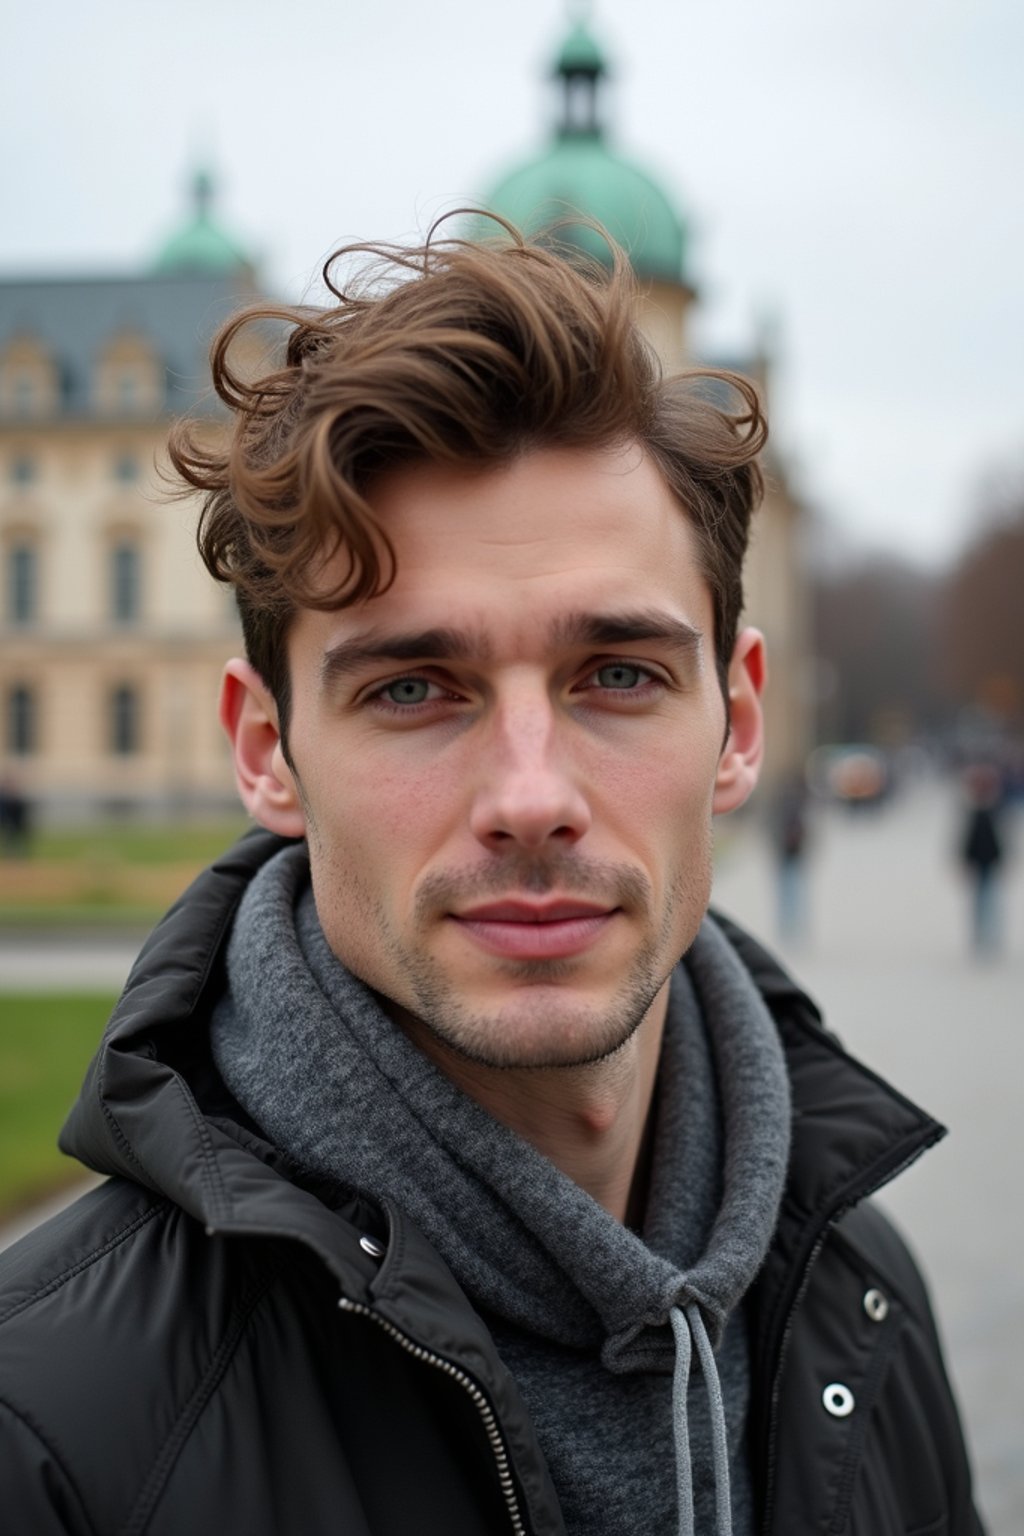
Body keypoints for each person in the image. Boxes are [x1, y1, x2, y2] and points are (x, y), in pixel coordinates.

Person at [0, 224, 983, 1535]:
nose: (532, 797)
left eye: (618, 675)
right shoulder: (49, 1437)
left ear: (740, 721)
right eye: (414, 688)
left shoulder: (865, 1301)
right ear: (267, 749)